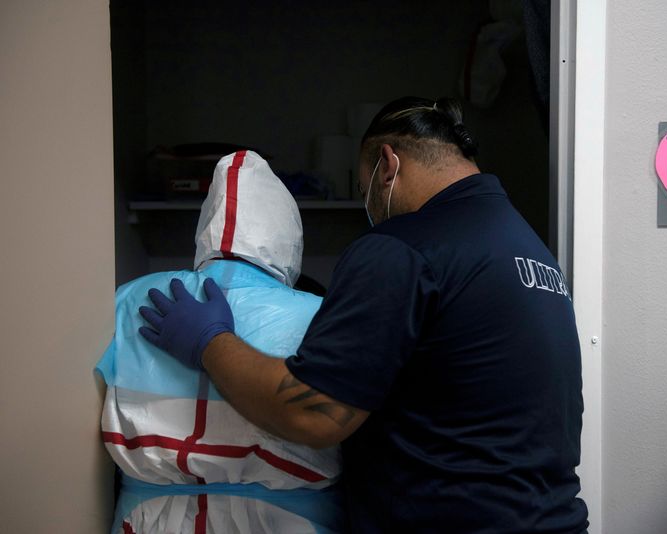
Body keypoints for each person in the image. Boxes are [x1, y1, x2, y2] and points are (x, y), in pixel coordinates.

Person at [139, 97, 589, 533]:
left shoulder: (403, 247)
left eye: (363, 189)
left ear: (387, 165)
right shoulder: (530, 250)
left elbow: (313, 414)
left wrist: (210, 341)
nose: (369, 207)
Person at [97, 151, 345, 533]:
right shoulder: (323, 314)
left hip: (146, 519)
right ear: (287, 236)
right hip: (288, 522)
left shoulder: (127, 299)